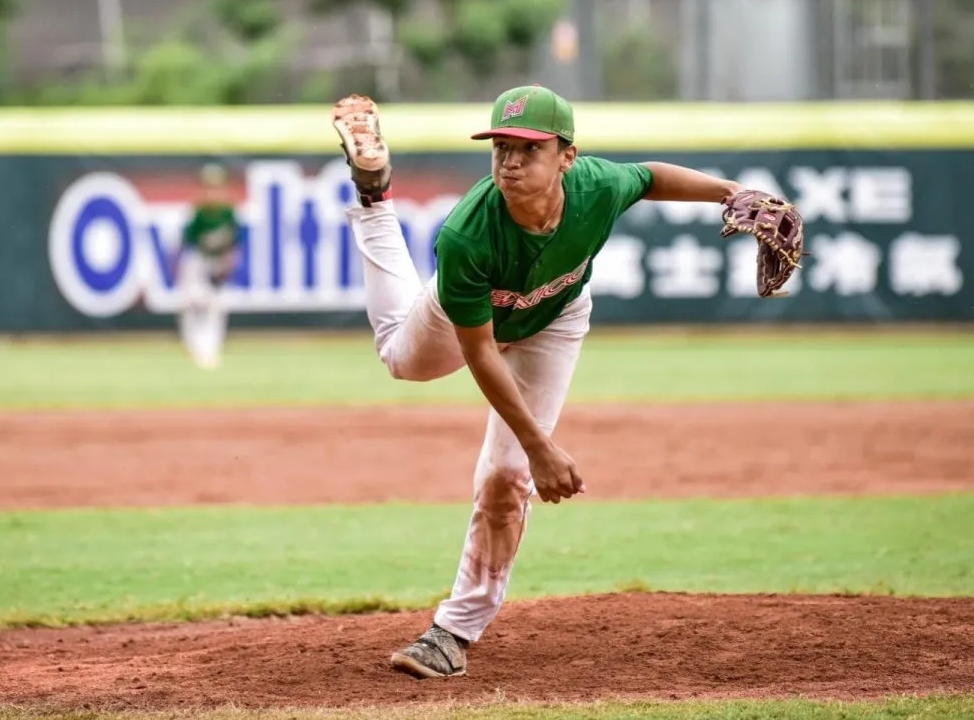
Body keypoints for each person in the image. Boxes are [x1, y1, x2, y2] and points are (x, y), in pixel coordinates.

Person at [330, 85, 796, 679]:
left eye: (529, 148)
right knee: (401, 358)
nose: (511, 161)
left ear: (566, 157)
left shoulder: (596, 186)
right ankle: (374, 196)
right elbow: (481, 351)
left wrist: (731, 193)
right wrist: (541, 445)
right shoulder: (468, 234)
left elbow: (649, 176)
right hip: (468, 317)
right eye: (501, 146)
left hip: (556, 316)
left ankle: (453, 632)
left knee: (504, 479)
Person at [176, 163, 240, 369]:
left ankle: (211, 349)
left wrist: (228, 263)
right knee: (192, 304)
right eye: (209, 187)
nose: (213, 192)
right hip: (198, 263)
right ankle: (192, 346)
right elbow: (188, 245)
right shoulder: (199, 214)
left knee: (216, 307)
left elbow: (234, 244)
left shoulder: (228, 212)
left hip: (217, 264)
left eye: (216, 187)